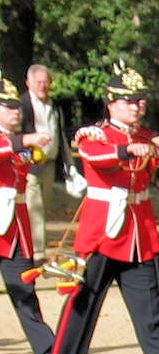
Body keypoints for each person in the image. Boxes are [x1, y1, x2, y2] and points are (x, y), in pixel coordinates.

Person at [44, 62, 159, 354]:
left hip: (139, 234)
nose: (136, 106)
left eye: (139, 101)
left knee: (151, 311)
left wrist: (158, 143)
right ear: (111, 103)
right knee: (83, 304)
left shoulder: (145, 136)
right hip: (102, 232)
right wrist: (127, 149)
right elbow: (95, 155)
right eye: (128, 101)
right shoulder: (97, 133)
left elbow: (156, 153)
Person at [0, 71, 56, 354]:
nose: (15, 111)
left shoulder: (18, 142)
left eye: (16, 107)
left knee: (24, 292)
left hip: (13, 228)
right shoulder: (16, 141)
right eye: (7, 107)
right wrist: (22, 141)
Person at [19, 64, 74, 263]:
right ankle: (37, 253)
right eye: (38, 82)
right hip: (30, 164)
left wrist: (68, 164)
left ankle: (32, 247)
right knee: (35, 206)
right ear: (28, 83)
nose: (43, 86)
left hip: (50, 163)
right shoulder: (21, 104)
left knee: (44, 206)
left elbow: (60, 134)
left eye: (46, 82)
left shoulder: (55, 105)